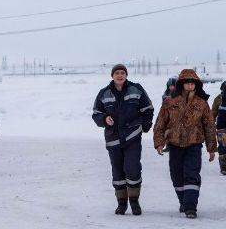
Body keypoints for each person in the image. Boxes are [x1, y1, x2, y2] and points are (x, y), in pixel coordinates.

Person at [153, 69, 217, 219]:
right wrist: (159, 143)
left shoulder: (202, 103)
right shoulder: (169, 102)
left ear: (196, 85)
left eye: (192, 83)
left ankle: (190, 207)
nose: (190, 85)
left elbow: (209, 126)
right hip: (174, 145)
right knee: (177, 177)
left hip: (194, 146)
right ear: (181, 84)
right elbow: (160, 124)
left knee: (192, 175)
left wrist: (211, 148)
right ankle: (183, 201)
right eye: (187, 82)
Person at [92, 64, 154, 216]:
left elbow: (148, 109)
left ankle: (134, 201)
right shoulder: (104, 93)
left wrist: (145, 126)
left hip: (132, 137)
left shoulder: (136, 89)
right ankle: (121, 203)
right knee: (118, 171)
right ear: (112, 76)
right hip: (113, 140)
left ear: (126, 75)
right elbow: (96, 113)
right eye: (117, 73)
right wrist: (105, 119)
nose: (120, 75)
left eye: (122, 73)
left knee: (132, 168)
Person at [213, 81, 226, 175]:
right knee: (223, 146)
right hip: (221, 127)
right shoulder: (218, 99)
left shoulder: (218, 98)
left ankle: (224, 168)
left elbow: (213, 113)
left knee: (223, 146)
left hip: (221, 127)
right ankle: (224, 167)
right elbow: (213, 113)